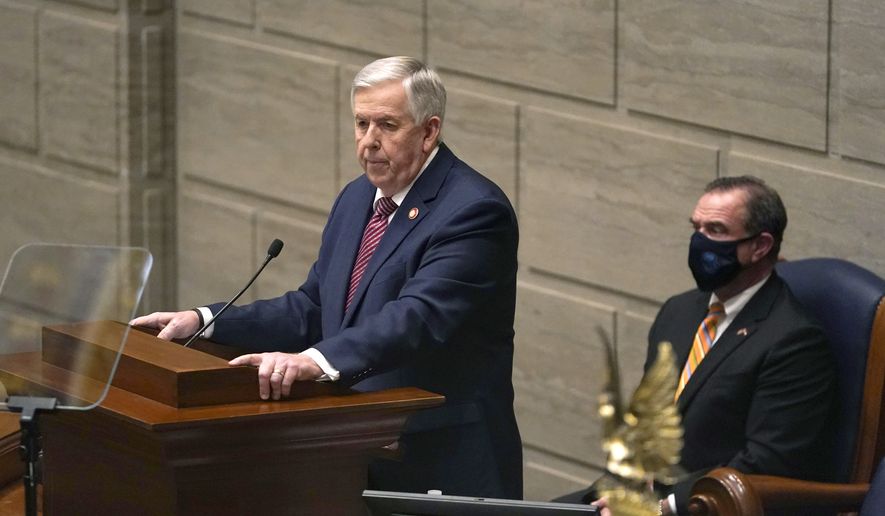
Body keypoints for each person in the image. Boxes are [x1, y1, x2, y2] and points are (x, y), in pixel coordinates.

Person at [131, 56, 523, 500]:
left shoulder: (472, 211)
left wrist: (314, 362)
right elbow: (316, 307)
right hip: (350, 455)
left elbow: (417, 316)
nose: (369, 142)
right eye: (361, 124)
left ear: (429, 131)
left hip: (439, 460)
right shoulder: (358, 198)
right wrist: (206, 321)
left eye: (387, 126)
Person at [562, 176, 836, 515]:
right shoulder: (679, 310)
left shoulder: (793, 340)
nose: (699, 242)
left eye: (716, 231)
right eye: (696, 228)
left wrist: (667, 505)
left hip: (705, 505)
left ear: (760, 246)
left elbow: (767, 461)